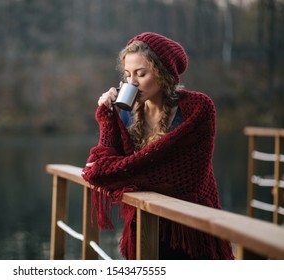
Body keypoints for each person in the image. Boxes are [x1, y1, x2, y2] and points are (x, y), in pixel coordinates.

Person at [81, 32, 234, 260]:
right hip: (143, 224)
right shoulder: (126, 113)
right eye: (127, 74)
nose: (132, 82)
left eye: (141, 74)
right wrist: (107, 116)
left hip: (190, 228)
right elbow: (99, 164)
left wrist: (118, 172)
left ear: (163, 73)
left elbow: (188, 178)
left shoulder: (197, 108)